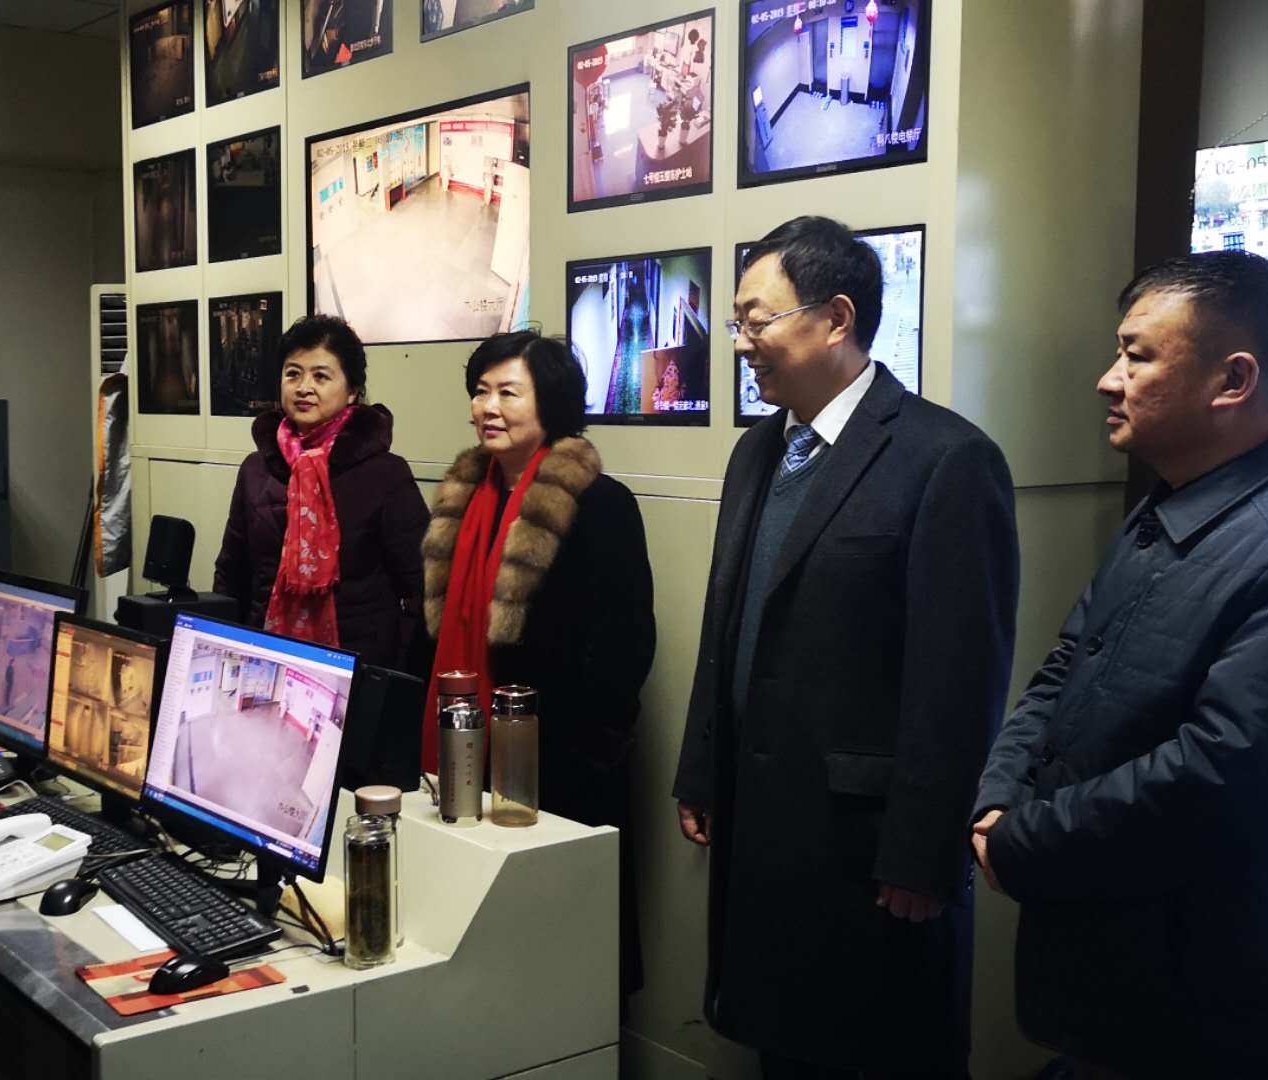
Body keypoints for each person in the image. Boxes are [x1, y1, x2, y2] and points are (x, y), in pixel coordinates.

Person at [970, 251, 1268, 1079]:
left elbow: (1221, 781)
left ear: (1232, 380)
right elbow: (1068, 666)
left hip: (1216, 1016)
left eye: (1137, 357)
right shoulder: (1171, 505)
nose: (1108, 380)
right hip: (1120, 987)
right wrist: (998, 797)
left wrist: (1024, 839)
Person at [672, 215, 1020, 1080]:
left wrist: (925, 850)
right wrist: (702, 765)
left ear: (835, 318)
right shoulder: (758, 451)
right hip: (764, 820)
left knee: (878, 1051)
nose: (741, 343)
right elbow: (728, 623)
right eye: (738, 322)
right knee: (784, 1047)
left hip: (868, 845)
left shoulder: (946, 458)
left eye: (758, 320)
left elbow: (961, 679)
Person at [423, 331, 656, 992]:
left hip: (562, 766)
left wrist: (583, 744)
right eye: (480, 391)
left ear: (550, 403)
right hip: (467, 750)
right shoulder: (463, 497)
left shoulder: (599, 503)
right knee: (483, 956)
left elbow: (626, 646)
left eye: (508, 392)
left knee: (566, 955)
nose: (488, 407)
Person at [215, 314, 429, 667]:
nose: (304, 387)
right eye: (293, 374)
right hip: (267, 654)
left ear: (352, 391)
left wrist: (396, 664)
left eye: (321, 376)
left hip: (360, 663)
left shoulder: (385, 474)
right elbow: (231, 574)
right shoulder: (256, 469)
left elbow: (420, 585)